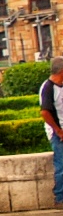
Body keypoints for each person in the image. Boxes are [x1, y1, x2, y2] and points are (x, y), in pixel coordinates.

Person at [38, 58, 63, 208]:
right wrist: (59, 131)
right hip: (57, 132)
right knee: (61, 165)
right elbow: (45, 112)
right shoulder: (48, 87)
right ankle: (60, 198)